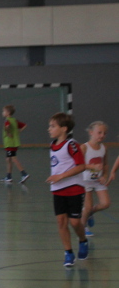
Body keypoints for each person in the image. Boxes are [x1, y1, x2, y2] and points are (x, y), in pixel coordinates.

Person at [46, 113, 88, 267]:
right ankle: (68, 253)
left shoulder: (71, 145)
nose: (49, 129)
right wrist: (55, 178)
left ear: (64, 129)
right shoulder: (52, 145)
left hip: (74, 188)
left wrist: (61, 176)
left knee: (75, 222)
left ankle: (83, 240)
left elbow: (81, 166)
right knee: (61, 222)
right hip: (57, 189)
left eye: (53, 126)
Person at [81, 121, 109, 237]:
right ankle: (83, 228)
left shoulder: (104, 148)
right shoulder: (84, 147)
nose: (102, 135)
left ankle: (91, 213)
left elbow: (105, 164)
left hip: (98, 181)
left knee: (105, 203)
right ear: (91, 132)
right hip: (85, 181)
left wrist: (105, 176)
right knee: (87, 207)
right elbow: (79, 165)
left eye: (104, 133)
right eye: (99, 132)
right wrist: (92, 167)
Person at [0, 105, 30, 184]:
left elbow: (7, 127)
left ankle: (24, 173)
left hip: (10, 143)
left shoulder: (8, 120)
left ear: (8, 112)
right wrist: (19, 131)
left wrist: (8, 132)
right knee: (8, 159)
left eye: (4, 111)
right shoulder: (15, 120)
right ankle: (8, 176)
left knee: (13, 159)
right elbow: (24, 125)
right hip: (13, 143)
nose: (2, 113)